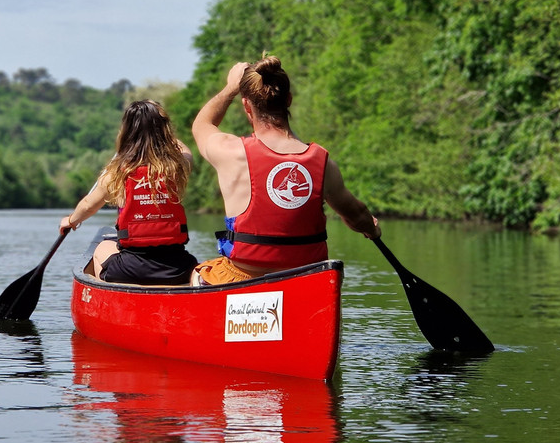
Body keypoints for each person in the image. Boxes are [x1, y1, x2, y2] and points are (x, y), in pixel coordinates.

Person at [190, 57, 380, 285]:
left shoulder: (231, 152)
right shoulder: (322, 162)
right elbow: (357, 216)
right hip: (304, 279)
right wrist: (372, 230)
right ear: (288, 100)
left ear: (246, 106)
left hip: (243, 276)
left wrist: (231, 88)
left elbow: (202, 125)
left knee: (199, 273)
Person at [60, 100, 198, 285]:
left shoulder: (117, 173)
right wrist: (159, 126)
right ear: (164, 131)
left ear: (127, 132)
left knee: (102, 247)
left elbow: (88, 206)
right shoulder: (177, 167)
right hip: (177, 267)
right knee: (198, 271)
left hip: (130, 269)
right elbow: (185, 150)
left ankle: (110, 289)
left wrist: (71, 220)